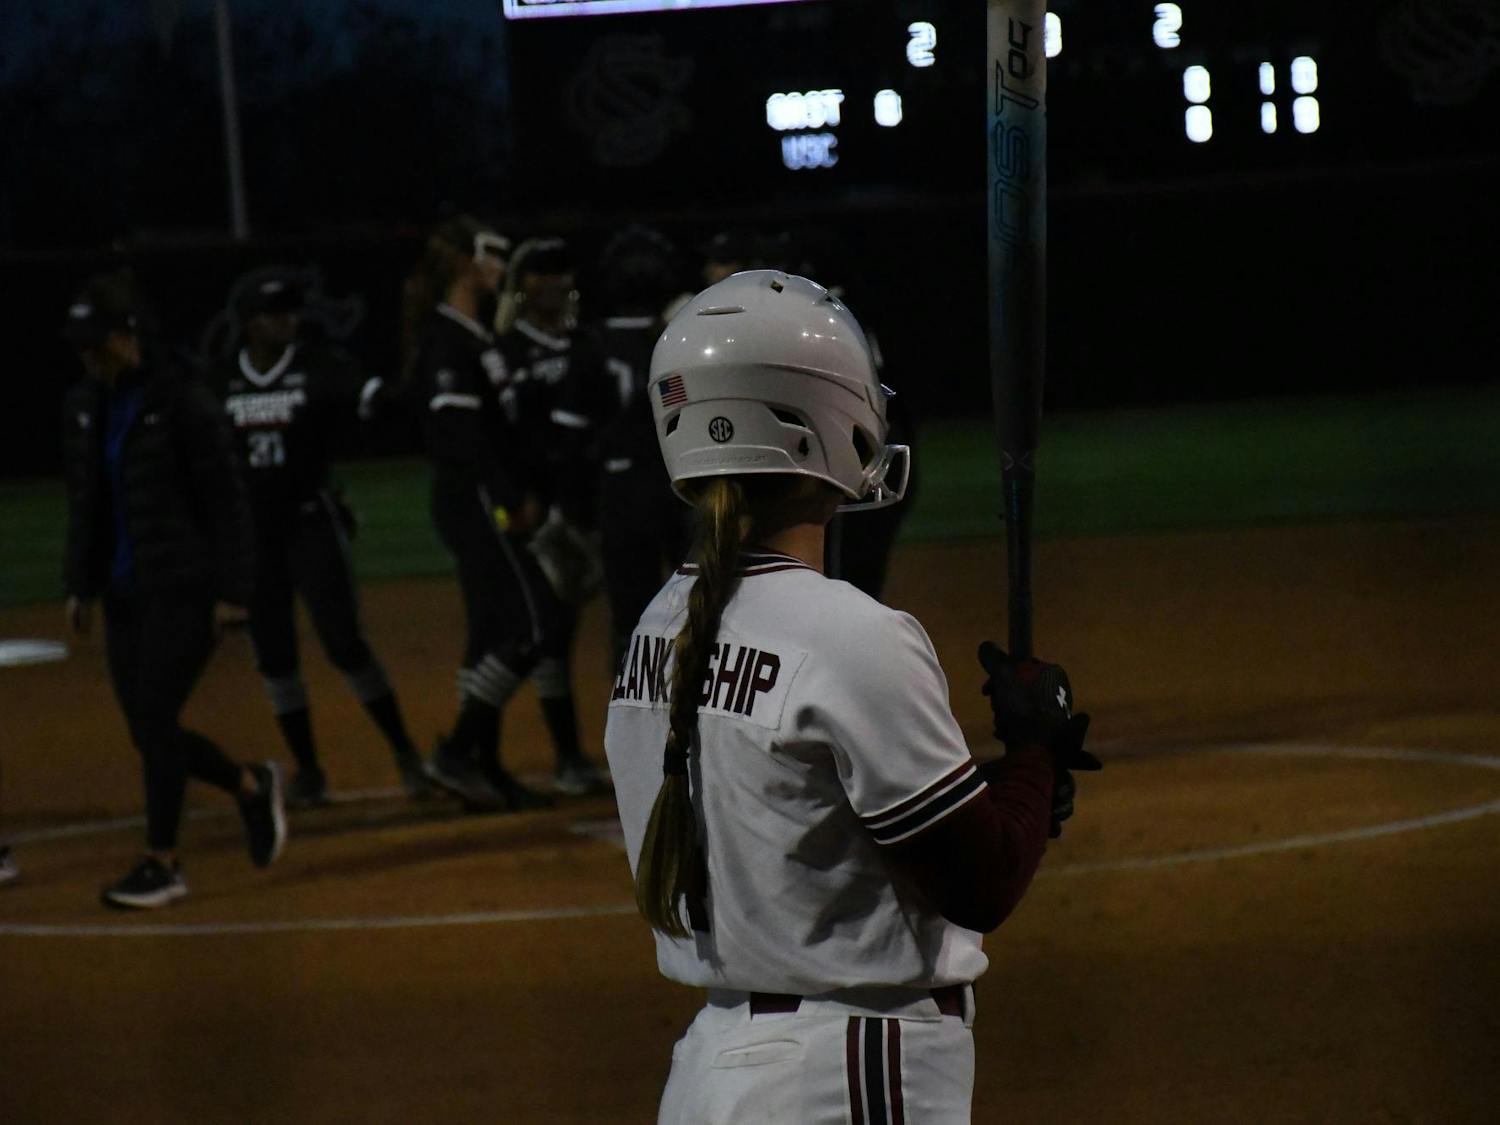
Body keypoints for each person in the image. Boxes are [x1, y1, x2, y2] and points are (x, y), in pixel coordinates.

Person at [603, 271, 1100, 1123]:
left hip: (713, 1073)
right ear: (829, 420)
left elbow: (810, 813)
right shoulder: (850, 633)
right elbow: (980, 882)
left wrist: (1011, 788)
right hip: (845, 1071)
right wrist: (1033, 750)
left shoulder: (659, 628)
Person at [60, 271, 286, 909]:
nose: (87, 356)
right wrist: (80, 584)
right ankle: (248, 786)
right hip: (124, 591)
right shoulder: (84, 405)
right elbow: (88, 504)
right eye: (80, 346)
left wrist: (237, 591)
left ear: (129, 335)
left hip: (186, 583)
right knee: (146, 731)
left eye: (96, 342)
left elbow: (226, 498)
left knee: (156, 718)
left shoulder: (183, 396)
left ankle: (163, 862)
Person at [213, 267, 428, 806]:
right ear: (247, 321)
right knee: (275, 656)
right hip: (253, 537)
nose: (285, 320)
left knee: (345, 643)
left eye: (289, 310)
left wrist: (410, 367)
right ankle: (309, 769)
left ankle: (405, 751)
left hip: (310, 521)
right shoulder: (219, 380)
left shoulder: (318, 366)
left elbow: (378, 398)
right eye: (272, 312)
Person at [403, 216, 566, 810]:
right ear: (466, 265)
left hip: (483, 495)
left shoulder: (475, 336)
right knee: (533, 625)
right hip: (473, 496)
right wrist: (507, 496)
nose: (502, 267)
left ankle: (486, 768)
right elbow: (459, 435)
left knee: (489, 631)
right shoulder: (446, 338)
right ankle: (457, 752)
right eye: (493, 256)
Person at [492, 236, 611, 795]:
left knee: (582, 625)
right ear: (522, 283)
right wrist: (519, 499)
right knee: (550, 629)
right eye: (540, 272)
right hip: (535, 509)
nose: (553, 281)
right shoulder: (506, 350)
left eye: (561, 271)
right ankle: (565, 755)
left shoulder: (590, 342)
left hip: (591, 502)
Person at [557, 224, 689, 668]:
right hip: (683, 487)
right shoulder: (684, 337)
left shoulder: (592, 344)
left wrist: (574, 511)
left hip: (621, 494)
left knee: (633, 623)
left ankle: (637, 722)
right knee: (698, 611)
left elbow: (571, 443)